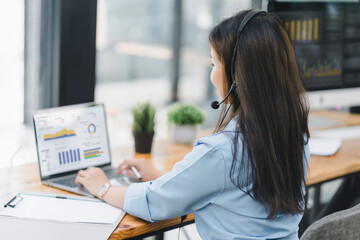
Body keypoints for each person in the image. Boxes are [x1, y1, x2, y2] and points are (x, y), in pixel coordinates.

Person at [75, 9, 310, 239]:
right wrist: (161, 176)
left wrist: (102, 188)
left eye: (213, 64)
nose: (212, 74)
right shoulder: (295, 135)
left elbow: (154, 203)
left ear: (238, 76)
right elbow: (235, 193)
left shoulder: (222, 151)